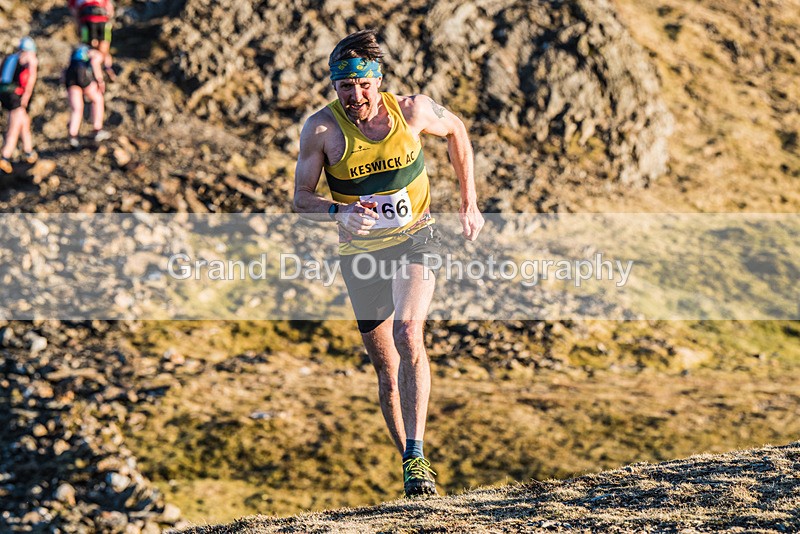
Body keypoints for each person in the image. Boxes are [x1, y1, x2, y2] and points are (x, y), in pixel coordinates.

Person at [293, 29, 484, 498]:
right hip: (360, 256)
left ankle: (417, 452)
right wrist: (339, 211)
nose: (356, 96)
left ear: (378, 81)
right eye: (345, 86)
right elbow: (300, 198)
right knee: (386, 367)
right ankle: (412, 467)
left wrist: (469, 201)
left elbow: (456, 129)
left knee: (408, 333)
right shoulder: (321, 130)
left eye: (364, 84)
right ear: (333, 86)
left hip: (415, 238)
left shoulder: (413, 110)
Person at [0, 37, 38, 174]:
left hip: (4, 92)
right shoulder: (29, 58)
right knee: (14, 127)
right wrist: (26, 97)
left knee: (24, 121)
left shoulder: (10, 57)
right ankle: (5, 157)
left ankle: (29, 152)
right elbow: (31, 78)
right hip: (16, 95)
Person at [64, 45, 110, 146]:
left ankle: (73, 136)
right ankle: (97, 129)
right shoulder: (97, 53)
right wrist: (100, 81)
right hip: (82, 73)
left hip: (70, 74)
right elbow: (94, 63)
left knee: (77, 109)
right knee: (97, 99)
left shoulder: (79, 49)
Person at [68, 0, 115, 78]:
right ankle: (107, 68)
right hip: (103, 21)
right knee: (104, 49)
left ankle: (95, 72)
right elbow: (109, 9)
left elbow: (75, 12)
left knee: (89, 48)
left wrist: (78, 26)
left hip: (87, 22)